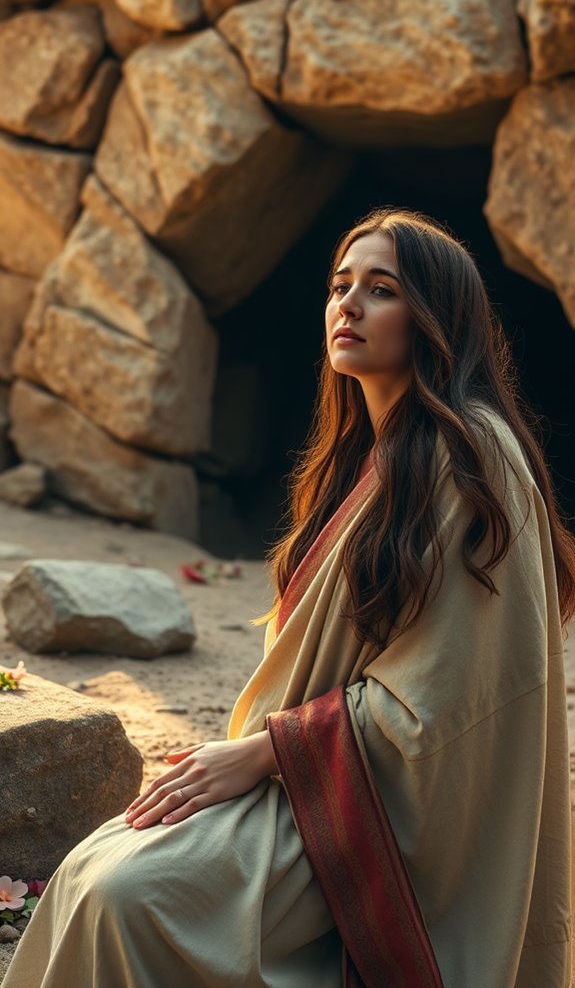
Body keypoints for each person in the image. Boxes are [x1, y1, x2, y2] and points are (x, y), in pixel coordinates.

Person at [3, 206, 574, 988]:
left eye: (381, 290)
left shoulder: (474, 458)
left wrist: (265, 752)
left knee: (124, 896)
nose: (348, 304)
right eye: (341, 285)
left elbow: (450, 705)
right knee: (87, 870)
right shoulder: (366, 457)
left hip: (376, 822)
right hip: (310, 781)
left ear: (436, 317)